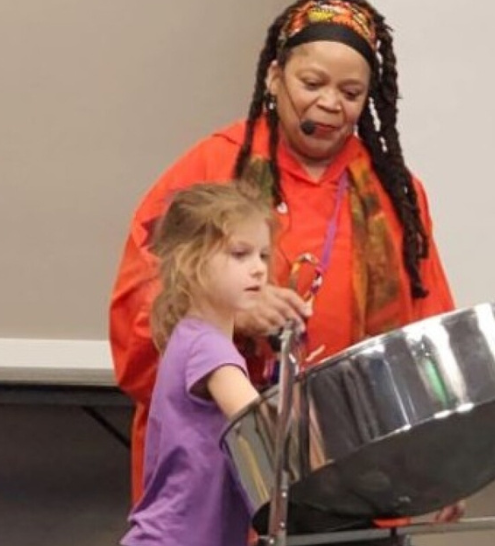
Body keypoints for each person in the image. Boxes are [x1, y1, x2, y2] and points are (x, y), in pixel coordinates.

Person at [110, 0, 465, 534]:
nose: (329, 104)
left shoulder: (395, 194)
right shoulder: (213, 167)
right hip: (219, 493)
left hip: (354, 484)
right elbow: (142, 308)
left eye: (350, 94)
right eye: (312, 82)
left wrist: (442, 458)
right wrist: (233, 316)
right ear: (275, 76)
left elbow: (427, 333)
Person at [120, 183, 271, 546]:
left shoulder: (191, 337)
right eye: (240, 254)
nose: (258, 270)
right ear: (190, 264)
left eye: (264, 256)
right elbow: (264, 431)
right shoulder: (209, 349)